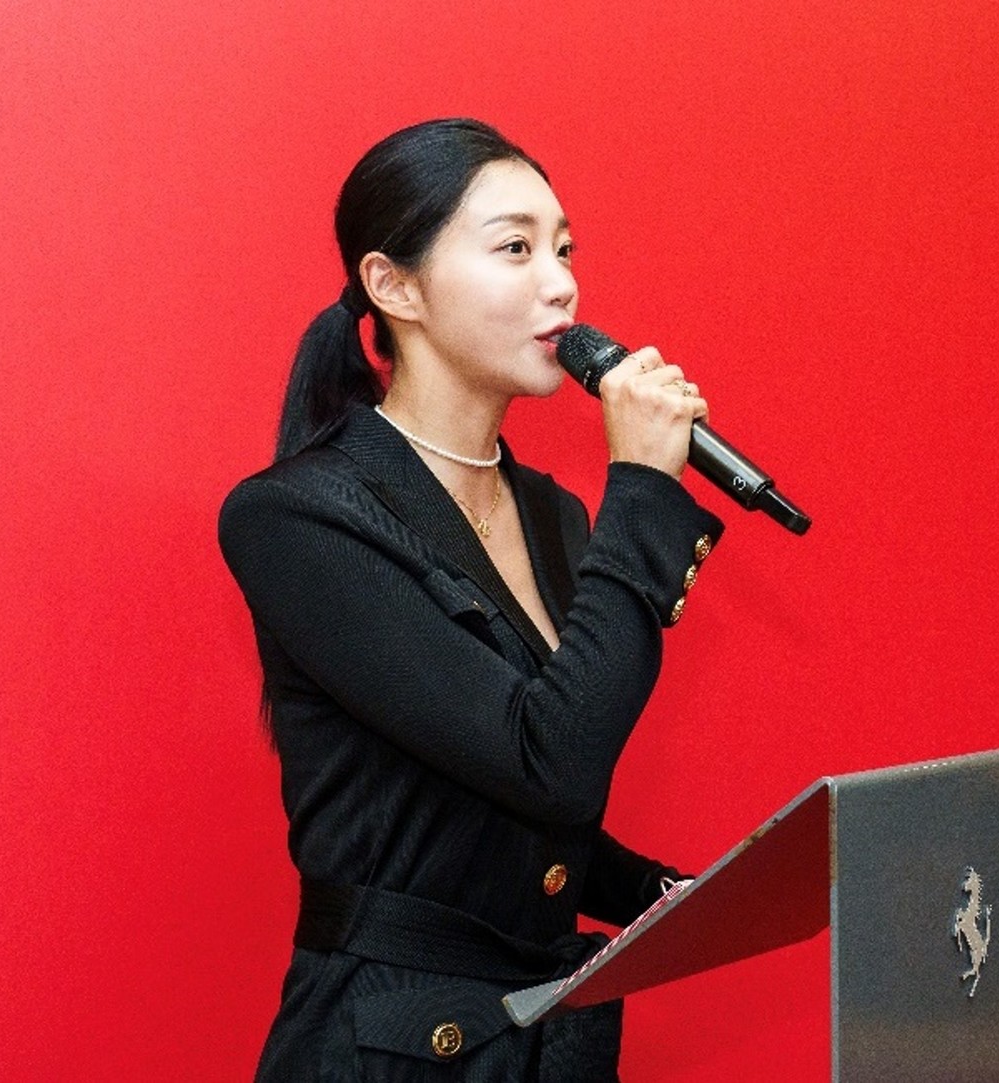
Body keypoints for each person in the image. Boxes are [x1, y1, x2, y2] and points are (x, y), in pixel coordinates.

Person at [218, 118, 721, 1081]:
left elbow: (505, 805)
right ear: (394, 286)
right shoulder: (296, 517)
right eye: (516, 248)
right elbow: (552, 764)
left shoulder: (553, 513)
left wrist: (685, 894)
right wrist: (643, 493)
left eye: (565, 248)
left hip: (533, 1035)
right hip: (388, 1044)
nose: (561, 283)